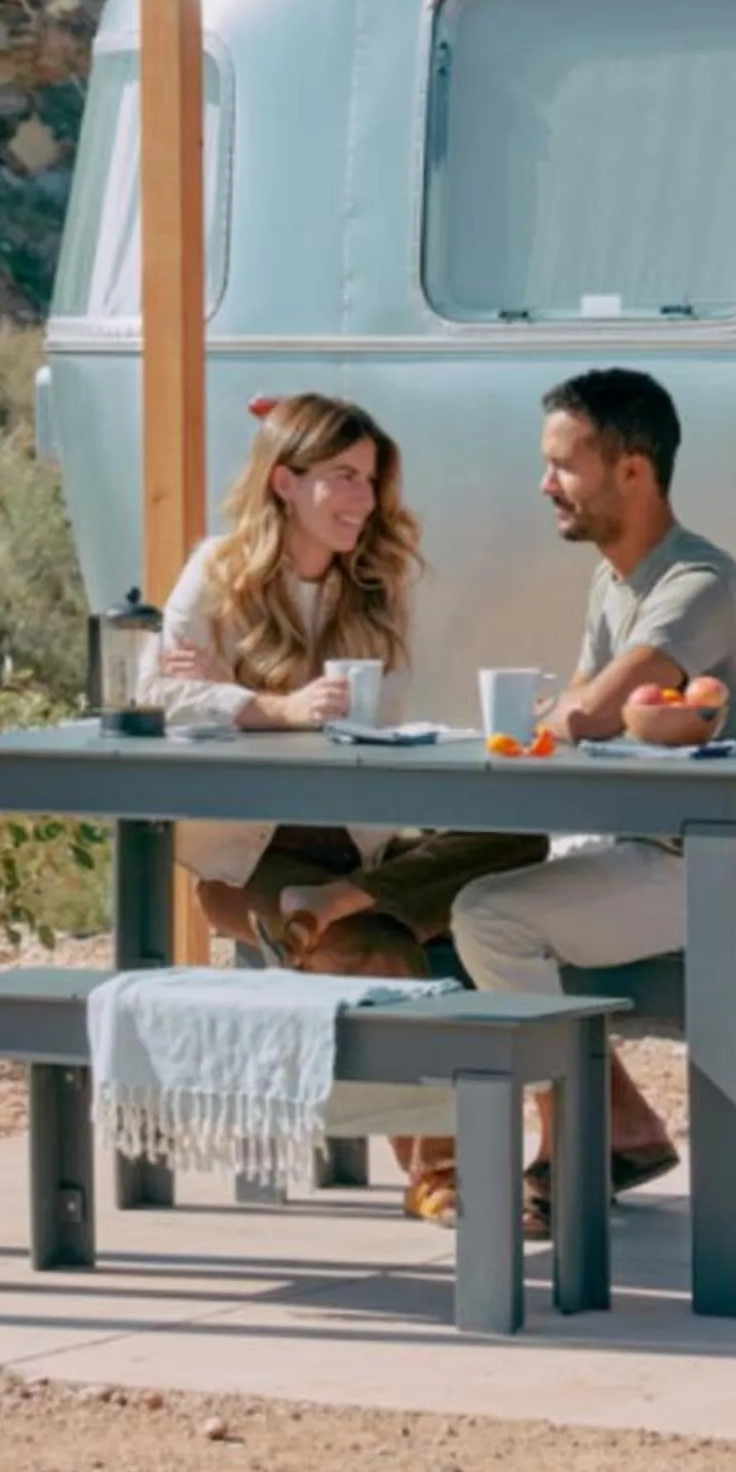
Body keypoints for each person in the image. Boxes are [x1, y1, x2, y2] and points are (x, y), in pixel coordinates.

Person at [149, 392, 544, 1221]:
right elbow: (158, 695)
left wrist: (231, 693)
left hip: (358, 851)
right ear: (285, 483)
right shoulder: (217, 571)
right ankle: (442, 1176)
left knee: (518, 842)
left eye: (370, 479)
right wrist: (275, 708)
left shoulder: (374, 586)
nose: (365, 499)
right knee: (381, 949)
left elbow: (378, 724)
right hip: (248, 862)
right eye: (343, 478)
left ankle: (336, 903)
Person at [446, 369, 736, 1234]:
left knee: (490, 919)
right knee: (465, 897)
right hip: (654, 856)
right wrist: (564, 713)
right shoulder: (614, 583)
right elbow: (574, 703)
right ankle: (619, 1126)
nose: (546, 486)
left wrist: (564, 715)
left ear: (633, 471)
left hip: (734, 869)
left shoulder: (697, 583)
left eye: (564, 466)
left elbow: (592, 708)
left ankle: (578, 1142)